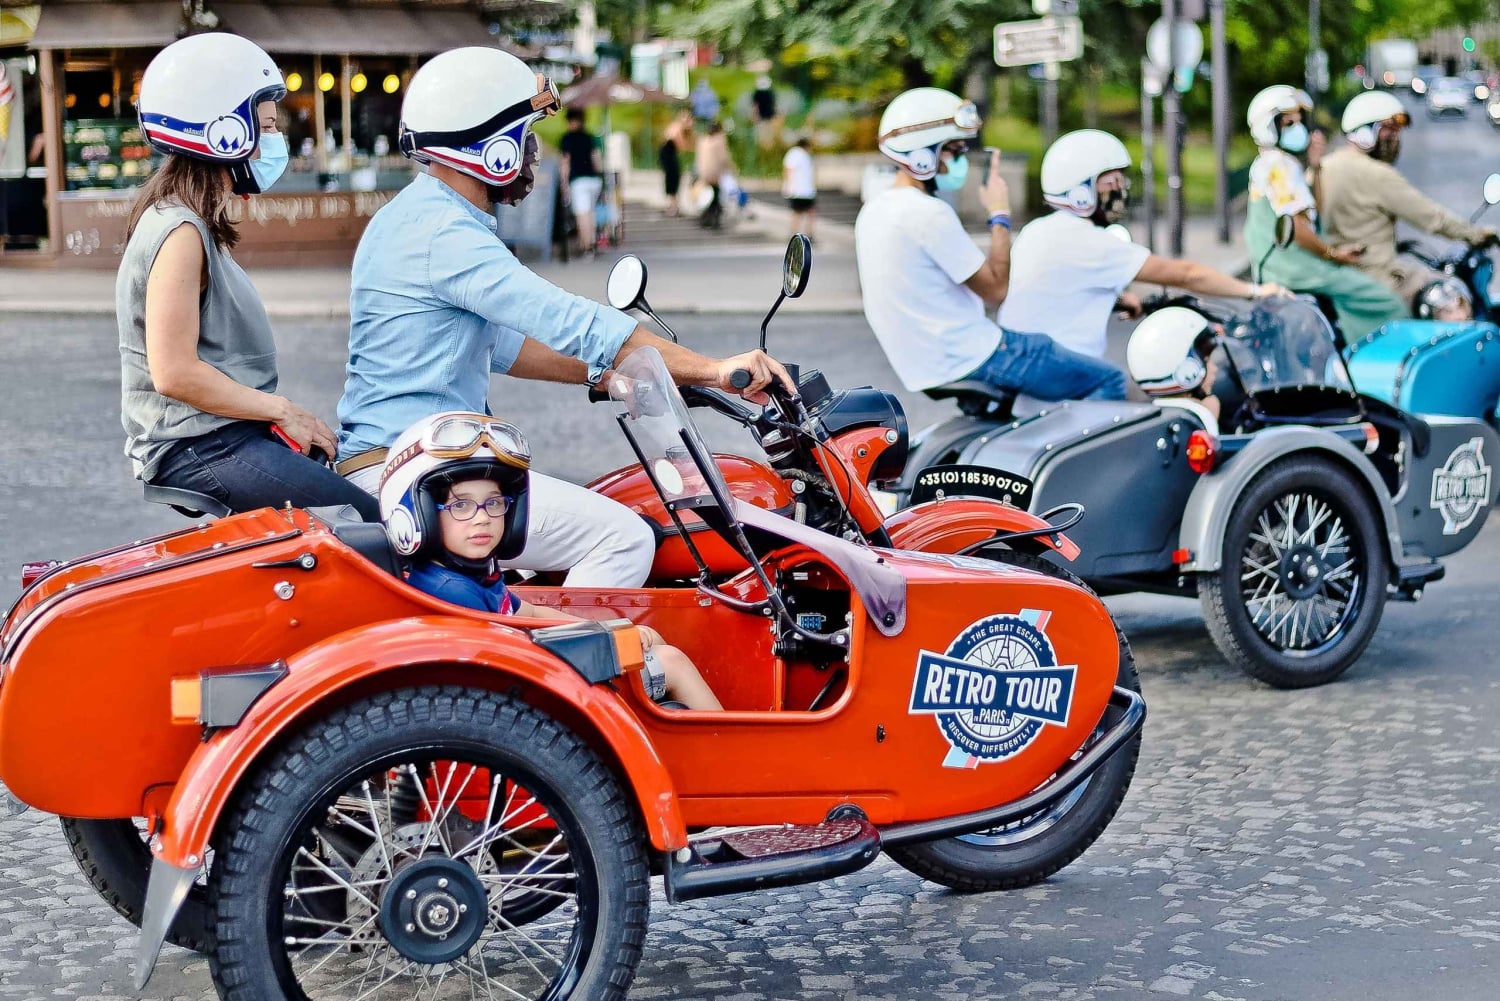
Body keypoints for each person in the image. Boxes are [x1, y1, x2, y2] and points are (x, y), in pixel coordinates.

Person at [336, 47, 792, 589]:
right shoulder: (445, 232)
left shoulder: (422, 216)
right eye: (526, 137)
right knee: (624, 537)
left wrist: (604, 375)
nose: (535, 153)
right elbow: (574, 322)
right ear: (490, 147)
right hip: (419, 472)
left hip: (403, 461)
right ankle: (574, 668)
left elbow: (504, 346)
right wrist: (717, 370)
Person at [117, 33, 378, 521]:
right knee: (374, 526)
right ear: (224, 132)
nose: (276, 142)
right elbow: (174, 373)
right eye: (268, 126)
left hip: (223, 435)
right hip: (201, 447)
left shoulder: (192, 223)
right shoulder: (178, 231)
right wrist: (282, 411)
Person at [381, 412, 721, 710]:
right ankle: (736, 766)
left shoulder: (467, 574)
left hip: (520, 680)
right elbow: (521, 652)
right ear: (418, 515)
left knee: (649, 640)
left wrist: (608, 630)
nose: (483, 518)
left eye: (494, 503)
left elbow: (528, 614)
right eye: (461, 505)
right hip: (521, 694)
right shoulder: (453, 591)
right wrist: (607, 643)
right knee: (672, 663)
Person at [854, 87, 1126, 401]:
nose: (959, 161)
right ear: (921, 154)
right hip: (973, 355)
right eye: (953, 151)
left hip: (925, 365)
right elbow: (996, 290)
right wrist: (999, 211)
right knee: (1109, 379)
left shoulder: (874, 210)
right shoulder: (927, 213)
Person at [999, 129, 1288, 360]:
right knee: (1122, 394)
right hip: (1062, 367)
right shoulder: (1093, 241)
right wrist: (1254, 291)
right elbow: (1186, 275)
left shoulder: (1036, 231)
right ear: (1079, 191)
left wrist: (1120, 298)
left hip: (1018, 354)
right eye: (1111, 182)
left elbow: (1057, 285)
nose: (1120, 189)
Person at [1243, 85, 1406, 342]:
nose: (1298, 128)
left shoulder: (1281, 164)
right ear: (1268, 126)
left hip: (1290, 264)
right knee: (1383, 301)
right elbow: (1296, 227)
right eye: (1288, 122)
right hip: (1293, 268)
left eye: (1299, 121)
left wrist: (1316, 164)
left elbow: (1312, 211)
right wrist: (1333, 255)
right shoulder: (1277, 166)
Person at [1319, 90, 1497, 308]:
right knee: (1454, 299)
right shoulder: (1378, 174)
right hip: (1376, 278)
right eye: (1388, 130)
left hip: (1337, 275)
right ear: (1364, 131)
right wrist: (1476, 234)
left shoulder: (1323, 167)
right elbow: (1431, 217)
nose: (1395, 139)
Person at [1126, 306, 1224, 423]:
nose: (1215, 369)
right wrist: (1209, 413)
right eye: (1207, 361)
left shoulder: (1149, 416)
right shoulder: (1203, 412)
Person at [559, 108, 603, 256]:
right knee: (590, 212)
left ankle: (587, 246)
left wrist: (563, 182)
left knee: (582, 214)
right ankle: (592, 242)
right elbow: (597, 160)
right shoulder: (589, 137)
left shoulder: (567, 138)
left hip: (578, 181)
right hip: (594, 180)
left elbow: (566, 163)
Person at [694, 121, 729, 230]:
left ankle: (705, 218)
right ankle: (713, 219)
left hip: (702, 172)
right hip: (714, 174)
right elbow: (724, 158)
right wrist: (732, 169)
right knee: (715, 197)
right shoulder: (718, 141)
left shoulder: (702, 141)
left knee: (706, 196)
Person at [658, 108, 693, 216]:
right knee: (673, 179)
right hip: (668, 156)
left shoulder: (676, 127)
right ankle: (673, 206)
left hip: (668, 155)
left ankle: (673, 205)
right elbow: (680, 144)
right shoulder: (677, 127)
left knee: (673, 179)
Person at [782, 136, 816, 239]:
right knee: (799, 213)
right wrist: (789, 185)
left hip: (805, 190)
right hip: (799, 190)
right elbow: (789, 169)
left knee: (806, 212)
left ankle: (806, 234)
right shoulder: (795, 153)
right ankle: (795, 234)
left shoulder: (803, 155)